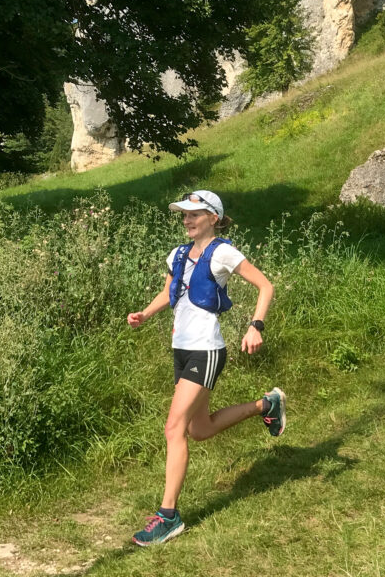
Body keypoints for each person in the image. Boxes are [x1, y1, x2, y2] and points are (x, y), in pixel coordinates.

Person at [126, 190, 285, 547]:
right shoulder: (178, 254)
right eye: (183, 214)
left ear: (213, 217)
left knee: (174, 427)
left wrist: (255, 325)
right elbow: (170, 291)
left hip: (206, 351)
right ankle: (266, 405)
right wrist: (145, 314)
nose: (187, 219)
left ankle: (168, 516)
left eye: (194, 213)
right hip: (181, 350)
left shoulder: (224, 252)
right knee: (200, 429)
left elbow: (265, 286)